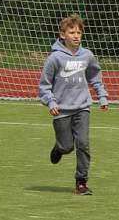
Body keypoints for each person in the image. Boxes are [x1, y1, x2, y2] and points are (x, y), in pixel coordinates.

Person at [39, 13, 109, 195]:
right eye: (72, 32)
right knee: (67, 146)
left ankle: (81, 182)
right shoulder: (54, 58)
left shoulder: (87, 55)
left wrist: (102, 96)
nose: (76, 36)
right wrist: (51, 102)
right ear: (62, 35)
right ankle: (59, 148)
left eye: (79, 32)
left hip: (82, 107)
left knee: (83, 144)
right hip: (61, 110)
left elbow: (95, 77)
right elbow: (44, 85)